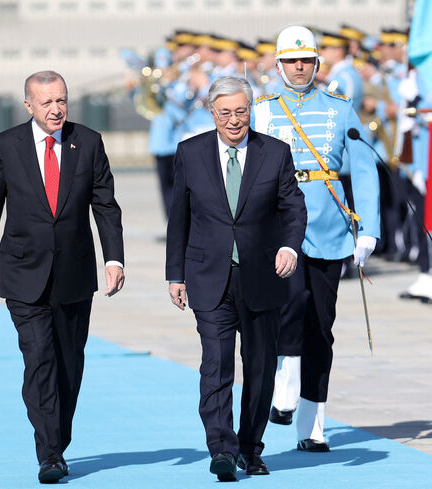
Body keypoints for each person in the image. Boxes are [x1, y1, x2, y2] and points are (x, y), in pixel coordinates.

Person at [0, 70, 125, 483]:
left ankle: (58, 437)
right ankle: (50, 453)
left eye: (62, 101)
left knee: (70, 364)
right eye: (47, 103)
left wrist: (114, 259)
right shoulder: (7, 145)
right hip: (24, 273)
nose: (56, 110)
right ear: (28, 106)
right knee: (39, 359)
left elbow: (106, 206)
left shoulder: (87, 141)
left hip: (74, 274)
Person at [165, 75, 306, 481]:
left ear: (251, 111)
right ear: (212, 113)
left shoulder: (275, 153)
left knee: (260, 369)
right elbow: (180, 218)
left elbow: (293, 208)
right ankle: (222, 449)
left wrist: (289, 246)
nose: (233, 120)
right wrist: (175, 273)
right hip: (209, 277)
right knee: (216, 364)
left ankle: (250, 447)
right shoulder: (189, 152)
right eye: (225, 112)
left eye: (240, 111)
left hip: (263, 277)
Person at [254, 25, 380, 452]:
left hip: (328, 223)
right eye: (291, 61)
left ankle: (312, 423)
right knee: (289, 306)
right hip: (279, 226)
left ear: (317, 63)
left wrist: (370, 229)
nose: (300, 67)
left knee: (321, 326)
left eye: (306, 60)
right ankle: (285, 383)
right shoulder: (262, 110)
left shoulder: (340, 108)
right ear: (278, 65)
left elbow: (362, 168)